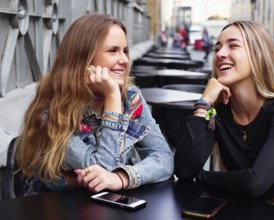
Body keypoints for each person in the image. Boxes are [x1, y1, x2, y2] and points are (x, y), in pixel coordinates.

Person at [174, 20, 274, 220]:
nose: (219, 54)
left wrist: (201, 175)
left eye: (233, 46)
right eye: (217, 48)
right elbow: (184, 170)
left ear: (258, 56)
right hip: (245, 207)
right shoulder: (218, 111)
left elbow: (255, 183)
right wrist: (203, 105)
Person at [16, 14, 174, 196]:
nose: (124, 60)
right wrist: (112, 97)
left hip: (111, 205)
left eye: (125, 50)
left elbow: (164, 158)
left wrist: (122, 178)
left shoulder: (131, 98)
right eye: (113, 51)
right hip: (58, 208)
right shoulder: (54, 108)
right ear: (84, 59)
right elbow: (103, 169)